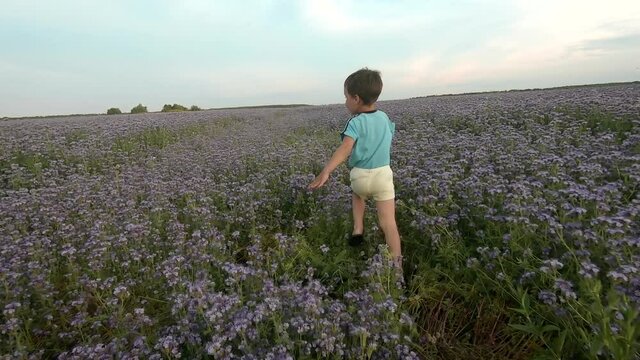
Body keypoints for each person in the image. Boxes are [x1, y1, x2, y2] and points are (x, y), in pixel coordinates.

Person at [308, 68, 401, 268]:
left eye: (346, 97)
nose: (345, 102)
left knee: (358, 195)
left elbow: (345, 149)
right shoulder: (384, 118)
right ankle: (397, 268)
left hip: (360, 177)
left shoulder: (355, 122)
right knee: (389, 223)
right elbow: (389, 136)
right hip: (383, 177)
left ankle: (358, 228)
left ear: (356, 99)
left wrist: (326, 171)